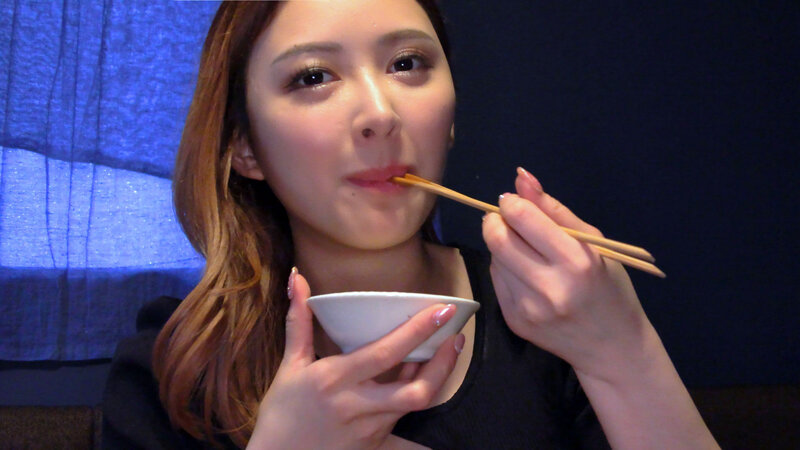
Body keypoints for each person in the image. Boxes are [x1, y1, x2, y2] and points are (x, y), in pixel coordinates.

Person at [102, 1, 719, 449]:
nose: (380, 113)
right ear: (245, 147)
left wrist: (624, 350)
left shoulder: (548, 321)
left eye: (407, 63)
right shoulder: (177, 368)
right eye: (313, 76)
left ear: (449, 116)